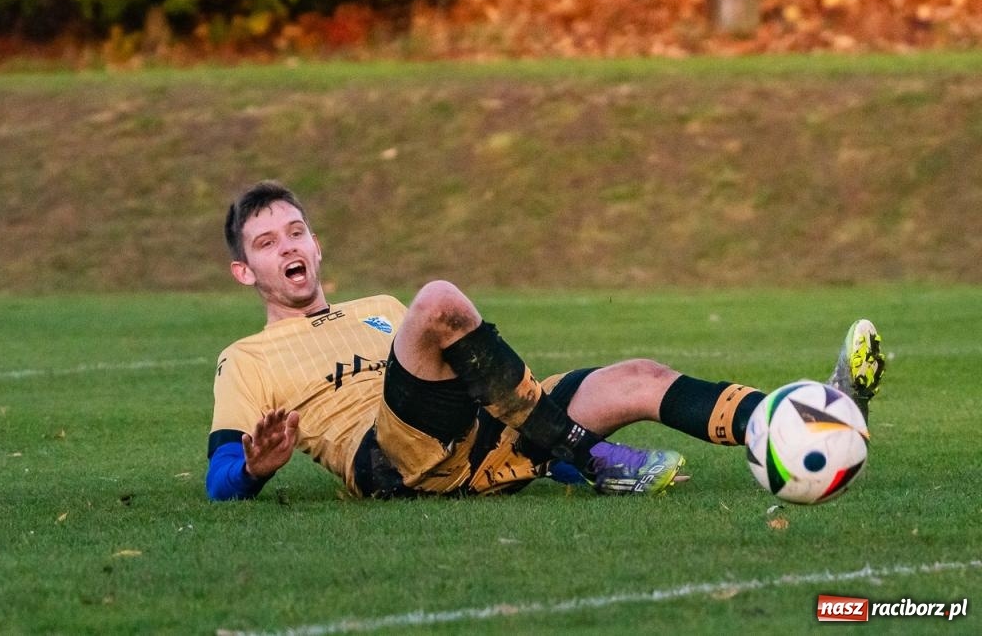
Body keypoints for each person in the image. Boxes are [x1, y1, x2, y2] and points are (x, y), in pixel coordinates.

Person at [206, 181, 885, 501]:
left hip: (475, 444)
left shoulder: (379, 309)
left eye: (295, 231)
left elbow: (475, 379)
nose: (287, 246)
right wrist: (256, 467)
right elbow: (217, 482)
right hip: (389, 461)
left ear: (316, 244)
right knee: (439, 299)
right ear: (246, 271)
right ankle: (591, 455)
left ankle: (806, 414)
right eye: (266, 243)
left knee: (639, 376)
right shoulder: (246, 358)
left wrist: (539, 459)